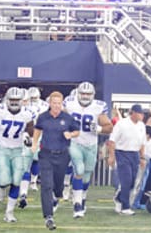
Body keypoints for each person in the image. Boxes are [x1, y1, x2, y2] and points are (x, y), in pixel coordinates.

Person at [0, 88, 34, 223]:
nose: (15, 102)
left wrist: (28, 136)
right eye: (12, 100)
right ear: (7, 99)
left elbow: (30, 129)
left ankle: (9, 212)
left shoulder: (27, 114)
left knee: (17, 181)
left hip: (18, 150)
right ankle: (1, 185)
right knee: (5, 181)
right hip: (2, 149)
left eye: (17, 100)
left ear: (22, 101)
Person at [63, 81, 113, 218]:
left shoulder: (99, 107)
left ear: (93, 95)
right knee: (78, 169)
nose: (85, 96)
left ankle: (82, 197)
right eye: (83, 93)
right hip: (75, 142)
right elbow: (60, 118)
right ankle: (77, 204)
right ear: (78, 93)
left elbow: (109, 127)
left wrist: (99, 129)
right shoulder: (69, 103)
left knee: (86, 176)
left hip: (91, 145)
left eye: (88, 94)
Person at [31, 91, 80, 230]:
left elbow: (77, 131)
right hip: (46, 154)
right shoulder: (43, 117)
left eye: (59, 103)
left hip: (63, 155)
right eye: (54, 103)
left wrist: (70, 134)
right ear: (50, 103)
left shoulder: (67, 118)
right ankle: (48, 217)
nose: (57, 105)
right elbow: (37, 130)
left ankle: (56, 197)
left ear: (62, 103)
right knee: (46, 185)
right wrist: (34, 143)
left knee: (58, 187)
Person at [108, 104, 146, 216]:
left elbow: (142, 143)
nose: (141, 115)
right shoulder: (122, 124)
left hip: (135, 154)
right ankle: (125, 206)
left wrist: (142, 157)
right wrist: (111, 156)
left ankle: (119, 198)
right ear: (133, 113)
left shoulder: (142, 126)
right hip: (122, 153)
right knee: (126, 179)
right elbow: (112, 140)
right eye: (139, 113)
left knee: (133, 181)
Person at [18, 87, 49, 209]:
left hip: (38, 135)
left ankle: (32, 182)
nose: (33, 100)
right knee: (24, 165)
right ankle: (23, 192)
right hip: (25, 136)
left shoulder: (44, 106)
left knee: (36, 160)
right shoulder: (23, 108)